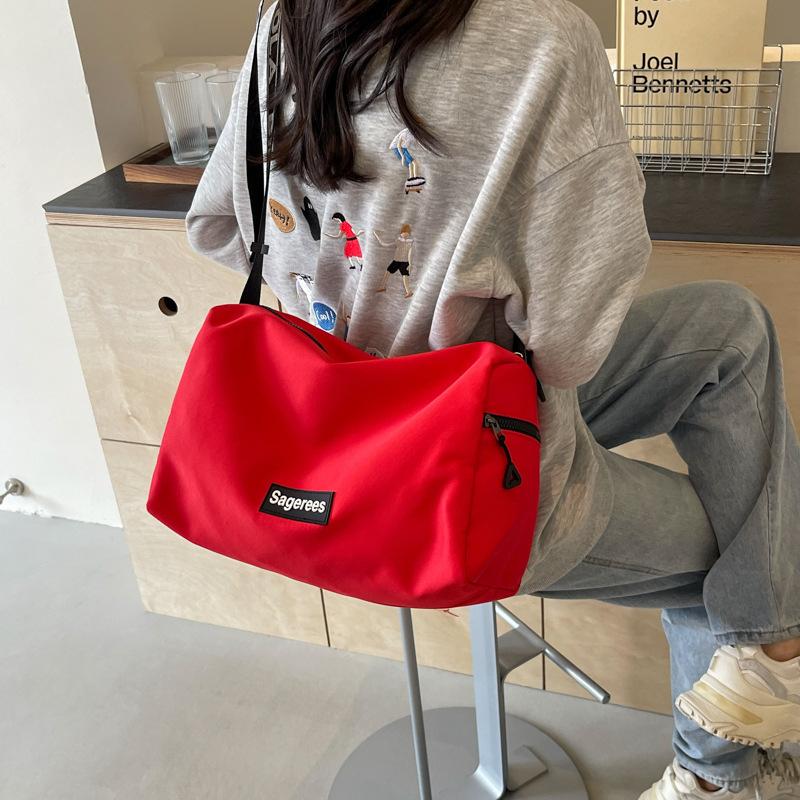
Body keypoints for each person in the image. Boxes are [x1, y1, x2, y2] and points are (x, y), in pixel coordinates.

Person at [184, 1, 800, 796]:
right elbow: (569, 344)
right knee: (751, 552)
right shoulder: (545, 38)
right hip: (468, 483)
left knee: (730, 326)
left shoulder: (288, 17)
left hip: (339, 437)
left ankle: (770, 655)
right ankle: (720, 773)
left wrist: (355, 308)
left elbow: (217, 227)